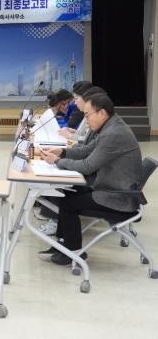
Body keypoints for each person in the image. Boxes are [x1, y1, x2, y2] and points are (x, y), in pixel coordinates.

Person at [39, 93, 143, 265]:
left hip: (118, 197)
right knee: (67, 193)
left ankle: (73, 253)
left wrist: (57, 161)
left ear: (101, 113)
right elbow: (86, 150)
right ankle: (62, 245)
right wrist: (62, 152)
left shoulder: (113, 134)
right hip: (111, 188)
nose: (86, 121)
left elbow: (88, 166)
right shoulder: (111, 126)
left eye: (88, 115)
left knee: (68, 204)